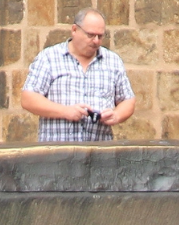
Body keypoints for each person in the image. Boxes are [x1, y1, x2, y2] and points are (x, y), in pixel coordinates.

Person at [20, 8, 136, 142]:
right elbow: (28, 98)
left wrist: (116, 115)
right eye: (90, 35)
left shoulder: (113, 61)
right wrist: (64, 111)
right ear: (74, 30)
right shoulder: (49, 58)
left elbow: (128, 100)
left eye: (100, 36)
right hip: (57, 154)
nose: (96, 41)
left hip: (99, 154)